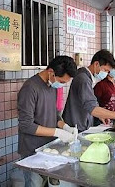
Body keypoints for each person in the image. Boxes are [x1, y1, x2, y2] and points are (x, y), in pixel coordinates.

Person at [17, 56, 77, 187]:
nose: (61, 85)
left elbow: (54, 114)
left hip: (47, 148)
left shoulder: (52, 86)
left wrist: (65, 127)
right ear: (51, 72)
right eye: (61, 81)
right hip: (31, 151)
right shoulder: (30, 88)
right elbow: (26, 125)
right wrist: (57, 132)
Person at [62, 49, 115, 132]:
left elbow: (88, 104)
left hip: (81, 124)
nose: (106, 74)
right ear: (96, 64)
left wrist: (101, 116)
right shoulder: (83, 79)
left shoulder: (87, 78)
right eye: (105, 70)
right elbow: (92, 107)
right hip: (75, 127)